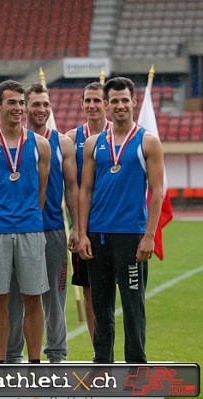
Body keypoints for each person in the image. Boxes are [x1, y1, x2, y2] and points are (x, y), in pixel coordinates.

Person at [78, 77, 164, 363]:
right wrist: (82, 233)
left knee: (132, 305)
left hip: (131, 237)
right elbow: (85, 189)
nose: (119, 105)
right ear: (106, 105)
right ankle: (102, 364)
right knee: (101, 308)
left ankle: (136, 365)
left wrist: (149, 236)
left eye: (124, 100)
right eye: (114, 100)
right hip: (98, 235)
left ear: (133, 102)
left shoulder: (148, 141)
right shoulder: (94, 143)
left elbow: (157, 191)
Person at [0, 80, 50, 363]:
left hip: (30, 229)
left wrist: (27, 216)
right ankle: (1, 365)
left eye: (21, 103)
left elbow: (40, 191)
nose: (18, 108)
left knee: (33, 298)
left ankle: (35, 363)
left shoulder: (40, 145)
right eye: (12, 102)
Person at [6, 83, 79, 363]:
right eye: (35, 104)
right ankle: (13, 355)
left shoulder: (62, 143)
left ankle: (57, 355)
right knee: (16, 296)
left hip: (52, 229)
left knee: (55, 295)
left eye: (45, 104)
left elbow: (72, 188)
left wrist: (76, 229)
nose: (41, 109)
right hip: (20, 230)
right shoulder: (12, 141)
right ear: (24, 108)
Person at [65, 82, 111, 343]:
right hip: (86, 228)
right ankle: (99, 352)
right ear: (81, 104)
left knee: (120, 292)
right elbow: (70, 187)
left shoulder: (119, 137)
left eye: (97, 100)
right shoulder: (72, 139)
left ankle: (120, 352)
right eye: (88, 100)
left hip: (114, 225)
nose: (92, 105)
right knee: (91, 291)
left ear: (106, 104)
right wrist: (75, 227)